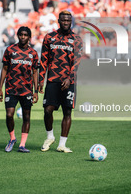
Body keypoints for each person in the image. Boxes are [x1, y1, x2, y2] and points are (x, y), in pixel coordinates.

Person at [38, 10, 83, 153]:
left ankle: (62, 144)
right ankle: (50, 136)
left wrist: (70, 78)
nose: (66, 23)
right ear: (59, 21)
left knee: (67, 112)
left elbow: (77, 62)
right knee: (47, 110)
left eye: (68, 21)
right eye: (63, 20)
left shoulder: (77, 40)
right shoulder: (49, 38)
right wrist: (40, 80)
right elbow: (44, 60)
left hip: (68, 81)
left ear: (71, 22)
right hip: (53, 79)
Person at [0, 26, 39, 153]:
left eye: (25, 35)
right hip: (11, 88)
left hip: (26, 90)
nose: (23, 37)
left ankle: (22, 144)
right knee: (9, 115)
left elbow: (35, 72)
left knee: (26, 117)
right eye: (21, 34)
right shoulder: (10, 50)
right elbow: (4, 69)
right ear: (17, 35)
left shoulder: (33, 53)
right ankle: (12, 138)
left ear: (29, 37)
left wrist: (36, 91)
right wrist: (0, 88)